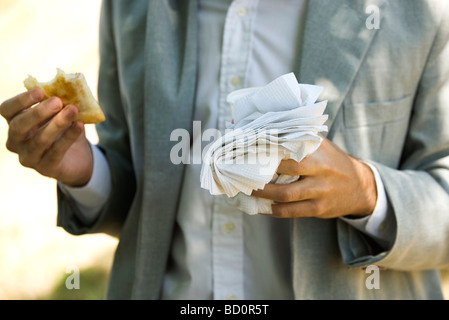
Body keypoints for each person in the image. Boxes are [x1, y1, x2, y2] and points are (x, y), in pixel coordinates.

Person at [1, 0, 449, 300]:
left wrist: (366, 191)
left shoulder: (419, 11)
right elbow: (140, 195)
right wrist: (84, 170)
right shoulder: (131, 7)